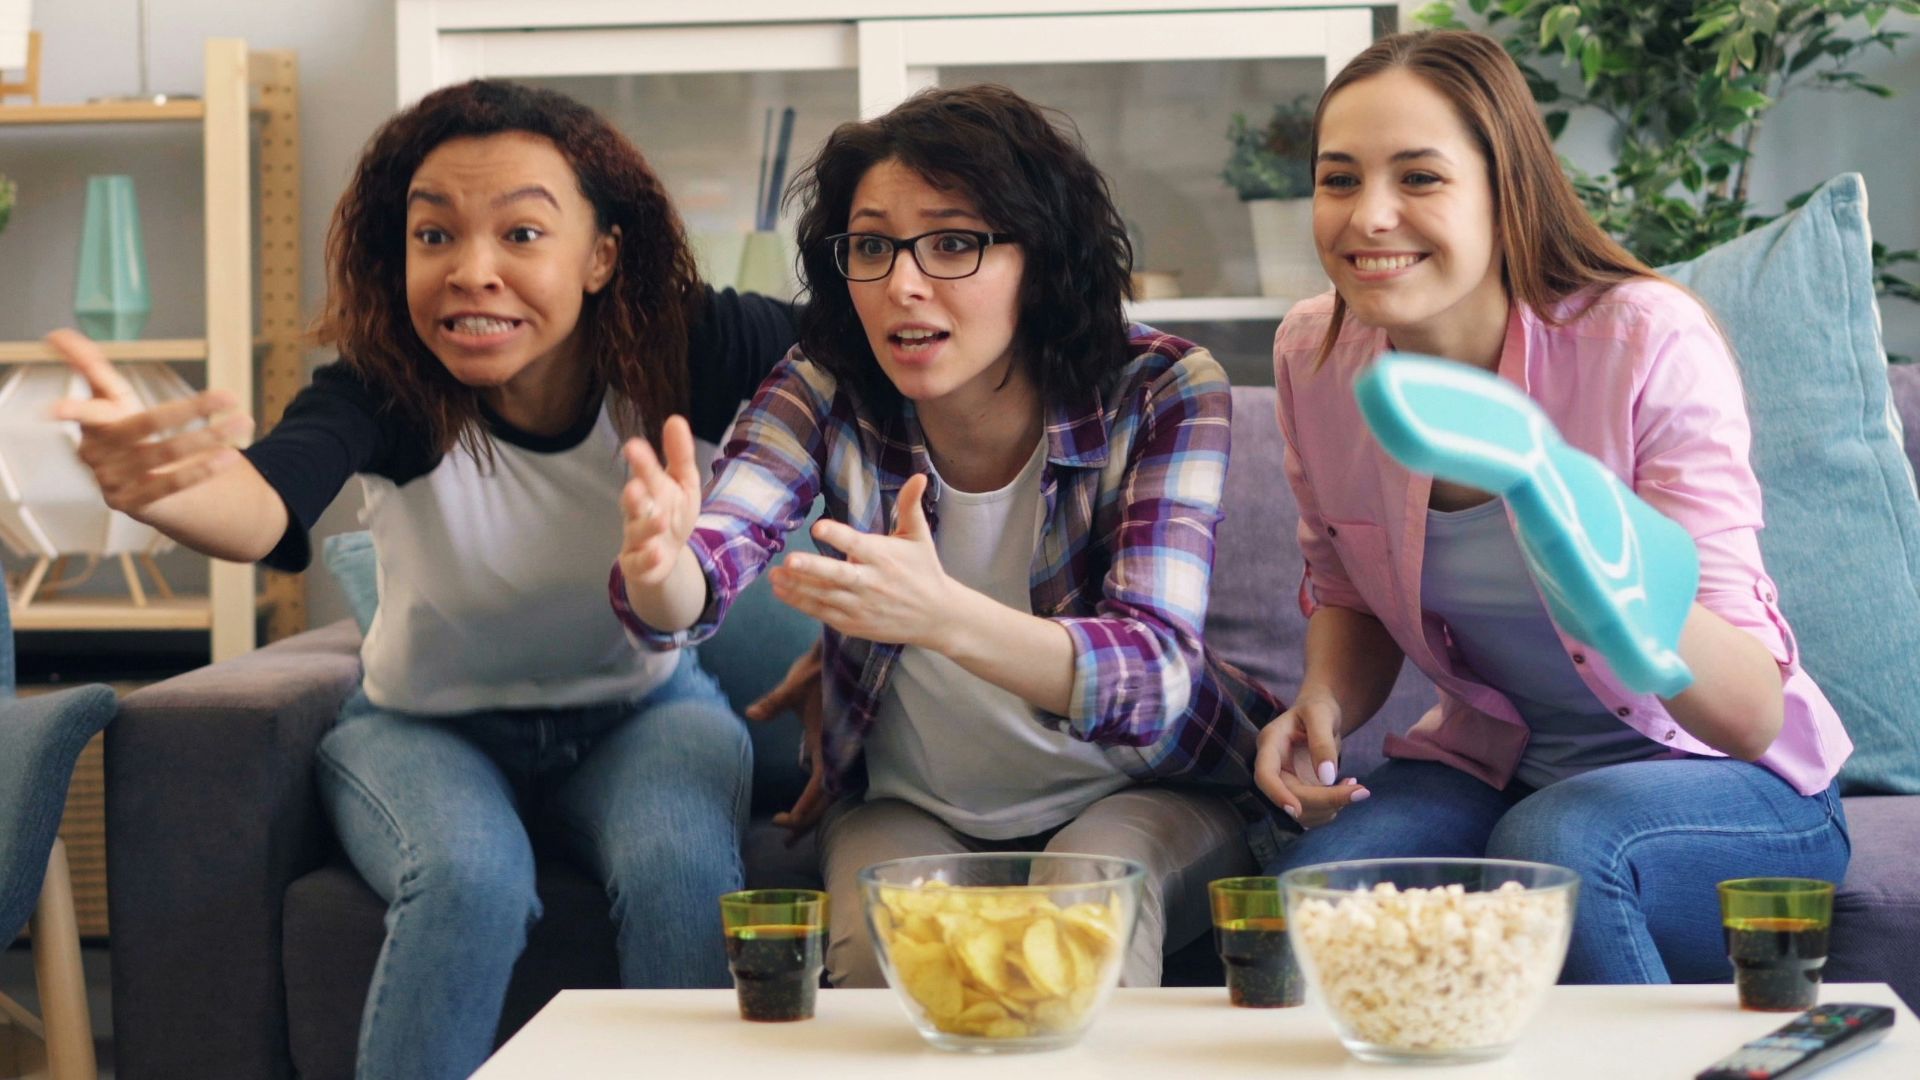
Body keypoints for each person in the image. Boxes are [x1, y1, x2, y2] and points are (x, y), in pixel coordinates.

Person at [48, 80, 796, 1080]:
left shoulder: (685, 346)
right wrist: (161, 492)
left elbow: (874, 358)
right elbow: (263, 502)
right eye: (434, 237)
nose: (470, 272)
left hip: (643, 714)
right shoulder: (385, 386)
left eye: (522, 235)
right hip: (426, 729)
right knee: (468, 877)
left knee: (681, 867)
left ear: (602, 254)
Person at [611, 84, 1286, 988]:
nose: (903, 283)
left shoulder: (1158, 385)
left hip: (1139, 786)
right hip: (913, 802)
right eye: (873, 245)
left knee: (1079, 915)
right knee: (877, 957)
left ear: (1041, 259)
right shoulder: (823, 384)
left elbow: (1157, 676)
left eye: (954, 242)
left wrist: (937, 614)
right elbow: (714, 553)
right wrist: (662, 573)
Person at [1253, 29, 1852, 985]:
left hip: (1729, 784)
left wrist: (1585, 531)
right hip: (1499, 765)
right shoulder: (1314, 357)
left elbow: (1747, 714)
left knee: (1560, 852)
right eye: (1338, 179)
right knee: (1317, 903)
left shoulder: (1646, 340)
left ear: (1506, 188)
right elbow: (1348, 593)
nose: (1369, 216)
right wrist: (1320, 703)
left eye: (1419, 178)